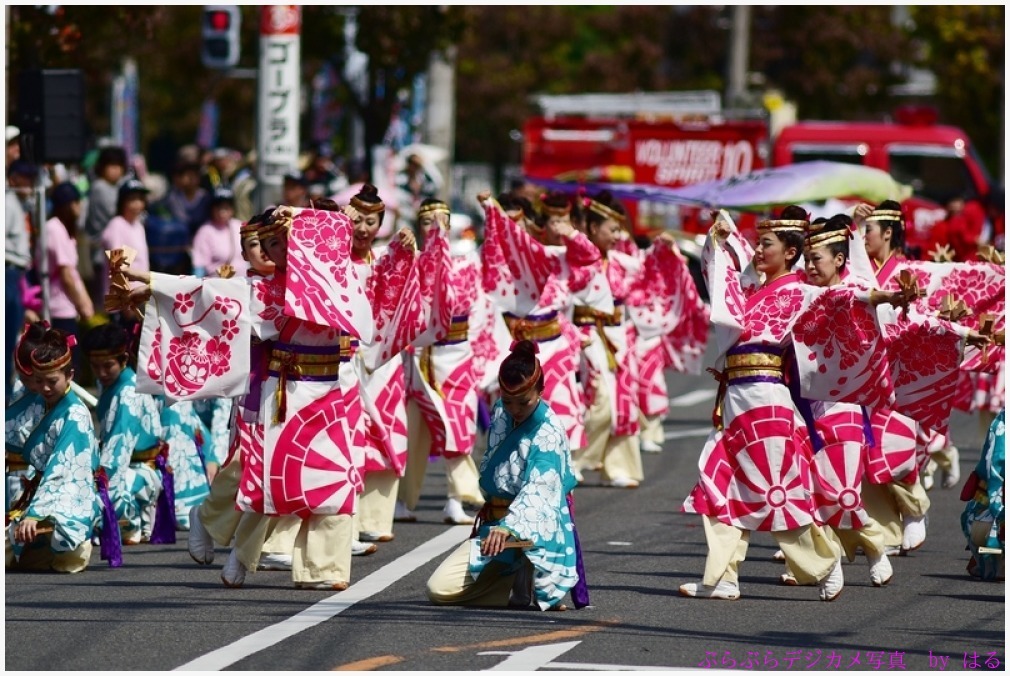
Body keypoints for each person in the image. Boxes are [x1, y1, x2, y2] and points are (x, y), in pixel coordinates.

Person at [680, 207, 846, 602]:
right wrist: (720, 236)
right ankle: (723, 578)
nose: (757, 251)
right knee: (717, 483)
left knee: (774, 492)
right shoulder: (754, 290)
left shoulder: (800, 291)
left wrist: (884, 297)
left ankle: (825, 564)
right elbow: (725, 275)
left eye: (766, 244)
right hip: (738, 398)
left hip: (765, 400)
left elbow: (846, 299)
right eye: (756, 244)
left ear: (790, 253)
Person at [426, 340, 579, 611]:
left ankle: (530, 573)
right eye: (508, 401)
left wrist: (509, 527)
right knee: (438, 589)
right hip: (495, 525)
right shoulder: (500, 411)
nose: (515, 410)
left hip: (531, 527)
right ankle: (508, 583)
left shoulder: (549, 431)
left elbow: (539, 491)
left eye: (524, 402)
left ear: (541, 391)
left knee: (446, 589)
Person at [399, 198, 486, 527]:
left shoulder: (467, 262)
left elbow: (481, 308)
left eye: (443, 222)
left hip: (459, 353)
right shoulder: (414, 262)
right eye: (428, 222)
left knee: (459, 426)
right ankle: (404, 500)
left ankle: (455, 498)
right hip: (425, 354)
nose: (436, 228)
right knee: (415, 433)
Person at [5, 328, 101, 573]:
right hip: (38, 490)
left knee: (65, 552)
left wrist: (35, 514)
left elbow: (61, 470)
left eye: (52, 381)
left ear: (69, 375)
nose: (45, 388)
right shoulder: (39, 402)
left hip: (69, 495)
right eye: (38, 381)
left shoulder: (76, 415)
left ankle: (64, 543)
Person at [83, 322, 169, 545]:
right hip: (127, 463)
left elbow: (115, 457)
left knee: (89, 495)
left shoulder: (128, 393)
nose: (101, 373)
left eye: (107, 366)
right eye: (95, 366)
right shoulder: (116, 384)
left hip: (139, 470)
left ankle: (128, 523)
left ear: (123, 359)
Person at [42, 182, 95, 374]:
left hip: (67, 306)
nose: (79, 208)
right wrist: (83, 304)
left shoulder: (63, 230)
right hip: (58, 308)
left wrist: (85, 302)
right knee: (65, 366)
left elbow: (72, 273)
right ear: (69, 204)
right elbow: (66, 276)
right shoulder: (55, 228)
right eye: (77, 202)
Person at [960, 408, 1005, 581]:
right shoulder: (1003, 425)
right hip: (996, 508)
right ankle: (994, 556)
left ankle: (992, 556)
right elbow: (992, 470)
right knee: (982, 529)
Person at [5, 153, 32, 401]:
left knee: (12, 338)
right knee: (6, 339)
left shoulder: (18, 203)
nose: (31, 184)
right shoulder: (8, 203)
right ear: (13, 178)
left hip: (15, 276)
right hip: (7, 274)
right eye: (27, 178)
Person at [191, 187, 248, 278]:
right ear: (211, 209)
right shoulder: (205, 231)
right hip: (217, 286)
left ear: (232, 209)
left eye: (226, 207)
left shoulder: (240, 226)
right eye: (218, 208)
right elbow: (199, 267)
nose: (222, 212)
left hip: (243, 284)